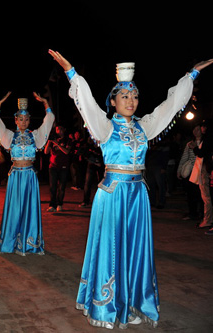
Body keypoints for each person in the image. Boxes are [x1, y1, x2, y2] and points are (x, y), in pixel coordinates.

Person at [50, 49, 213, 329]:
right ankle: (108, 307)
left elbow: (169, 106)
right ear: (112, 101)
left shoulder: (143, 127)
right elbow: (86, 102)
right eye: (124, 96)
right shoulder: (104, 126)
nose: (131, 101)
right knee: (112, 250)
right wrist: (71, 72)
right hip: (113, 195)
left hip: (138, 196)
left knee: (136, 251)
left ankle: (132, 301)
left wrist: (192, 75)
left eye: (135, 96)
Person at [0, 92, 55, 255]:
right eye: (21, 119)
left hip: (29, 176)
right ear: (16, 120)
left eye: (26, 119)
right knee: (14, 208)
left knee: (29, 208)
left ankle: (28, 242)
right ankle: (9, 242)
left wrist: (45, 103)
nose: (24, 122)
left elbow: (48, 122)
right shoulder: (9, 136)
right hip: (16, 176)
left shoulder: (35, 136)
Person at [177, 125, 203, 221]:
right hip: (191, 171)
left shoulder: (205, 142)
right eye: (194, 129)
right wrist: (179, 170)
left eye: (198, 129)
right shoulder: (189, 144)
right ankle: (193, 213)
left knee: (201, 194)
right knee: (191, 193)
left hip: (201, 171)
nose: (196, 131)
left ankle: (203, 214)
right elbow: (185, 157)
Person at [192, 120, 213, 231]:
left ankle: (207, 220)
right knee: (205, 196)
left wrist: (195, 148)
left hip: (207, 170)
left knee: (206, 197)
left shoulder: (208, 139)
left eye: (202, 127)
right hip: (206, 169)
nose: (200, 130)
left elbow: (202, 153)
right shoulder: (205, 139)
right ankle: (207, 219)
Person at [45, 125, 72, 212]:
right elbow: (46, 152)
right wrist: (49, 142)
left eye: (60, 129)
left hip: (63, 166)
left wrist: (57, 144)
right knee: (53, 187)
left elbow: (67, 151)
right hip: (52, 166)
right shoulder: (53, 140)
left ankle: (59, 204)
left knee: (62, 187)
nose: (58, 131)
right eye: (57, 130)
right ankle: (52, 205)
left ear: (64, 130)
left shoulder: (68, 140)